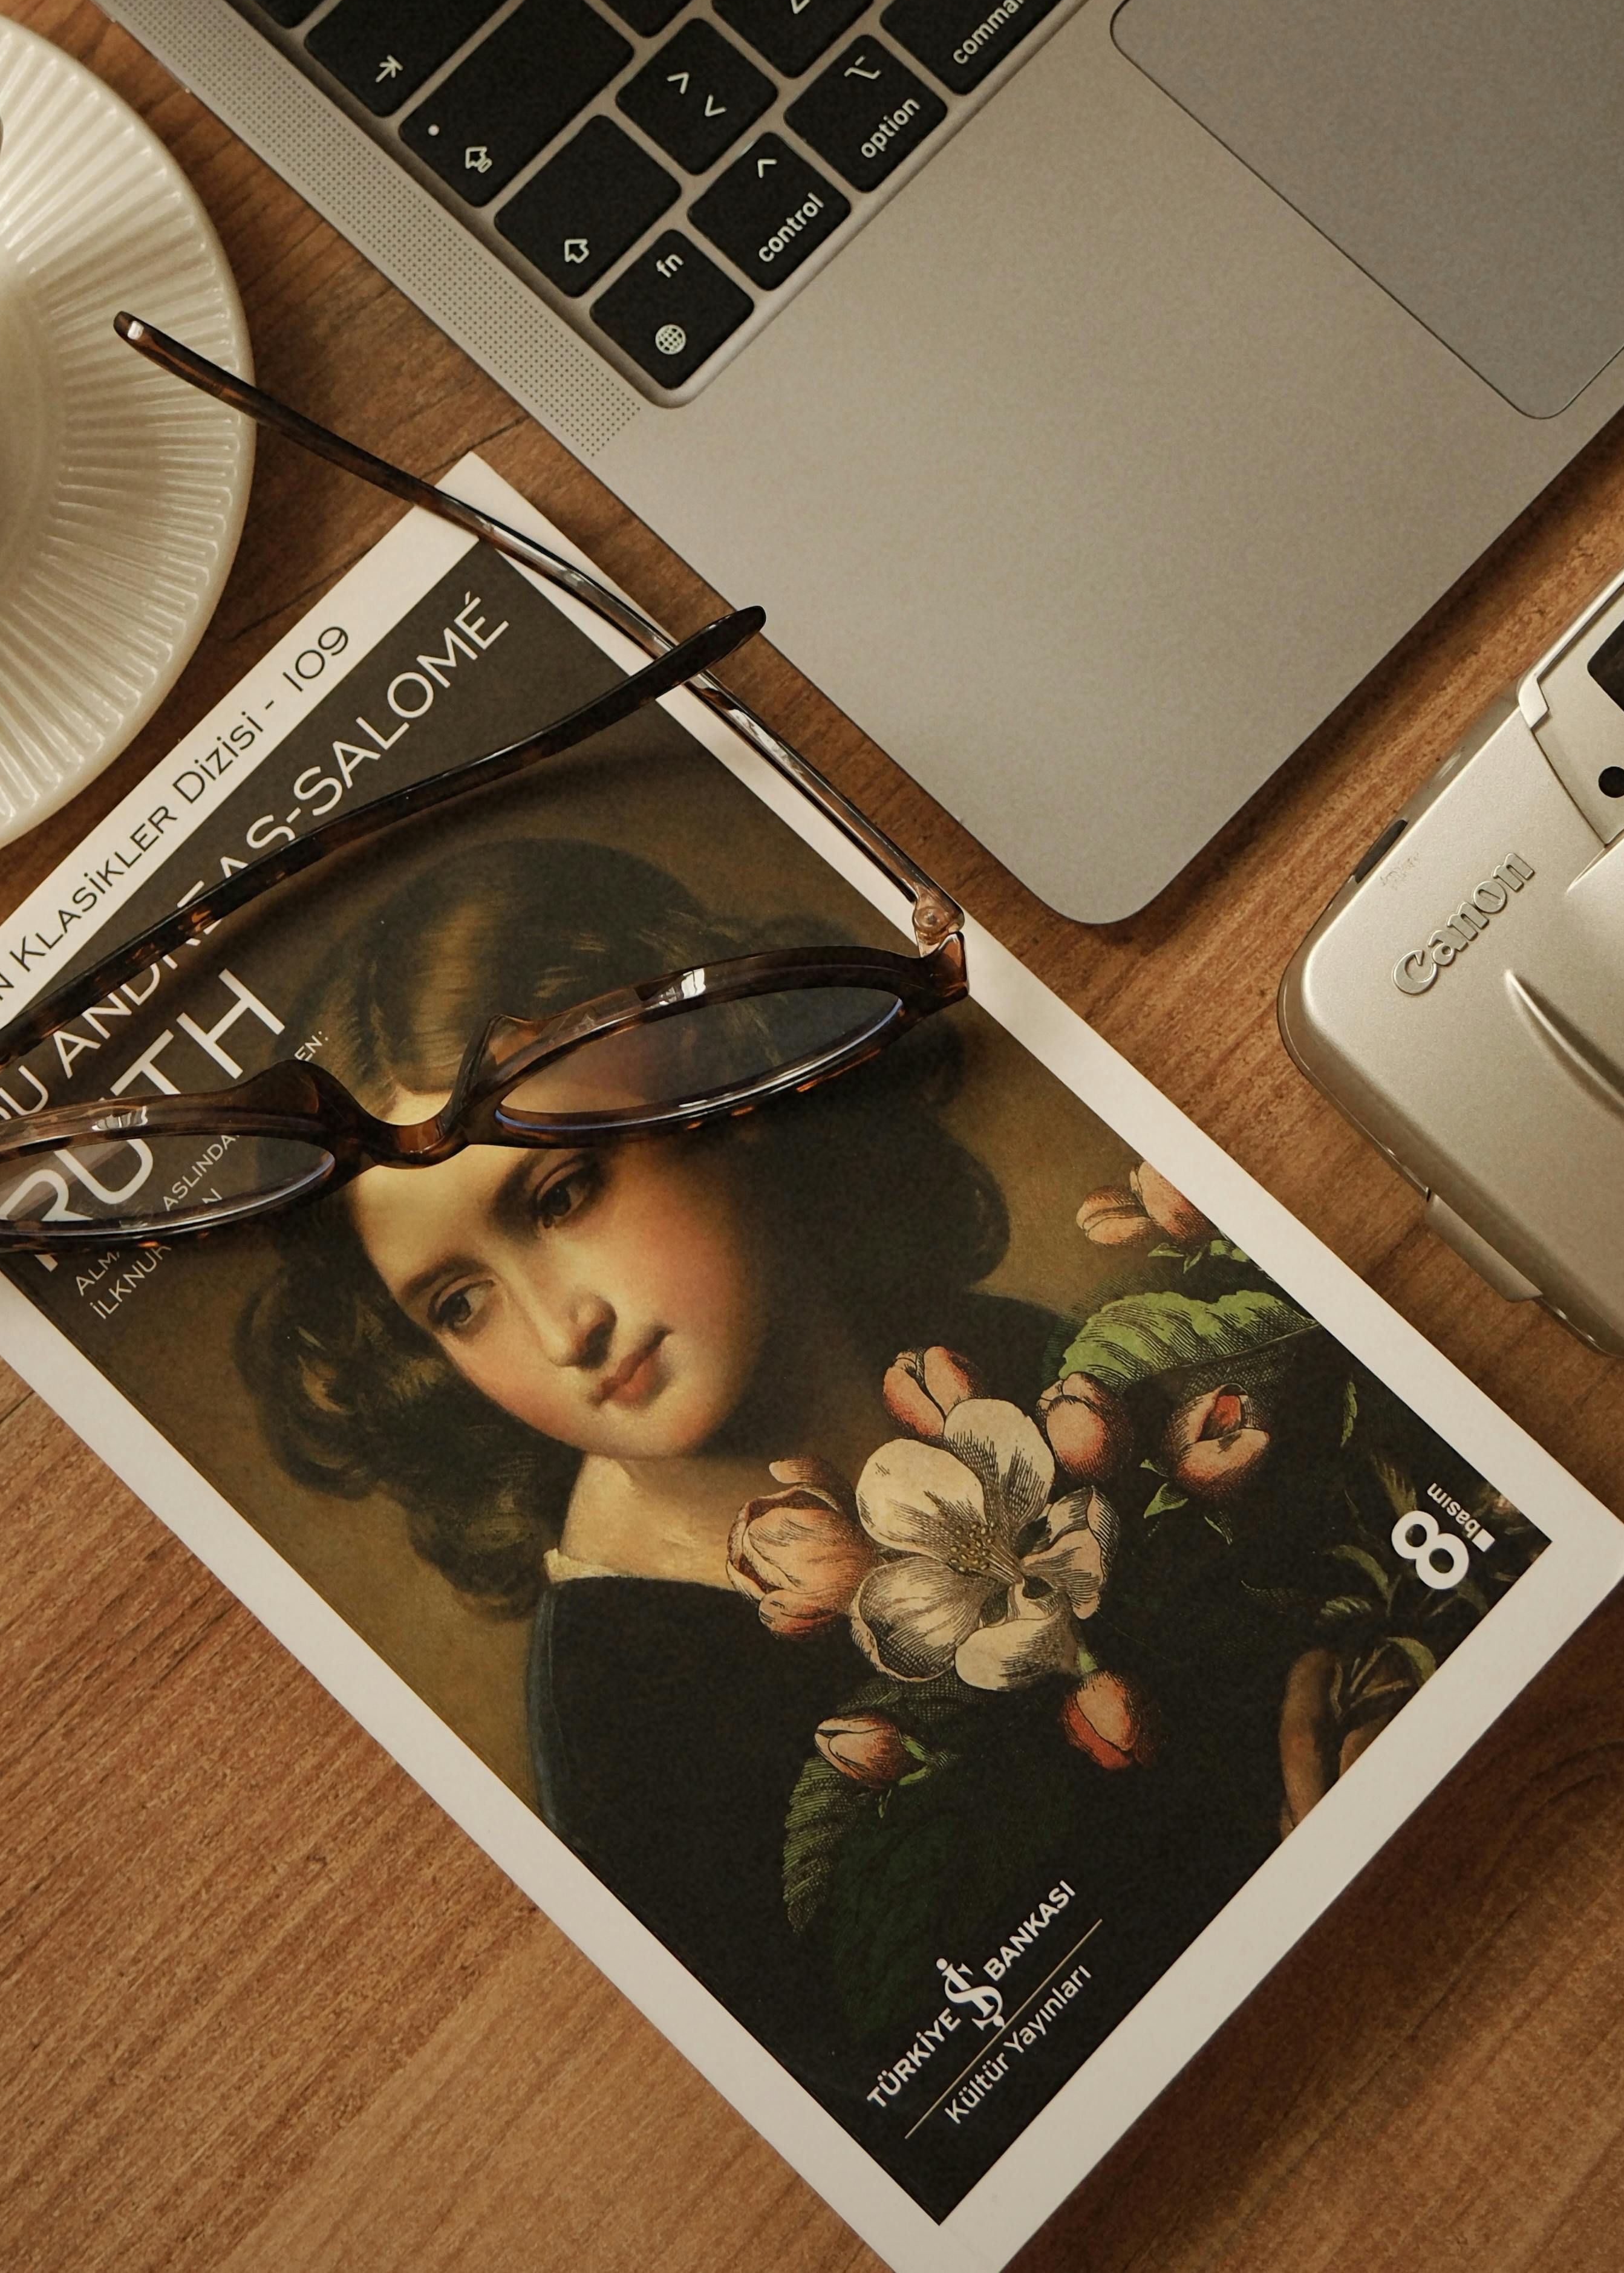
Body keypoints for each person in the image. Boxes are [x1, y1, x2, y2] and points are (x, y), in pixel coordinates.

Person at [234, 832, 1039, 2087]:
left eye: (560, 1195)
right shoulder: (631, 1723)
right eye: (457, 1303)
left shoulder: (1009, 1366)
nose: (563, 1329)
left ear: (723, 1084)